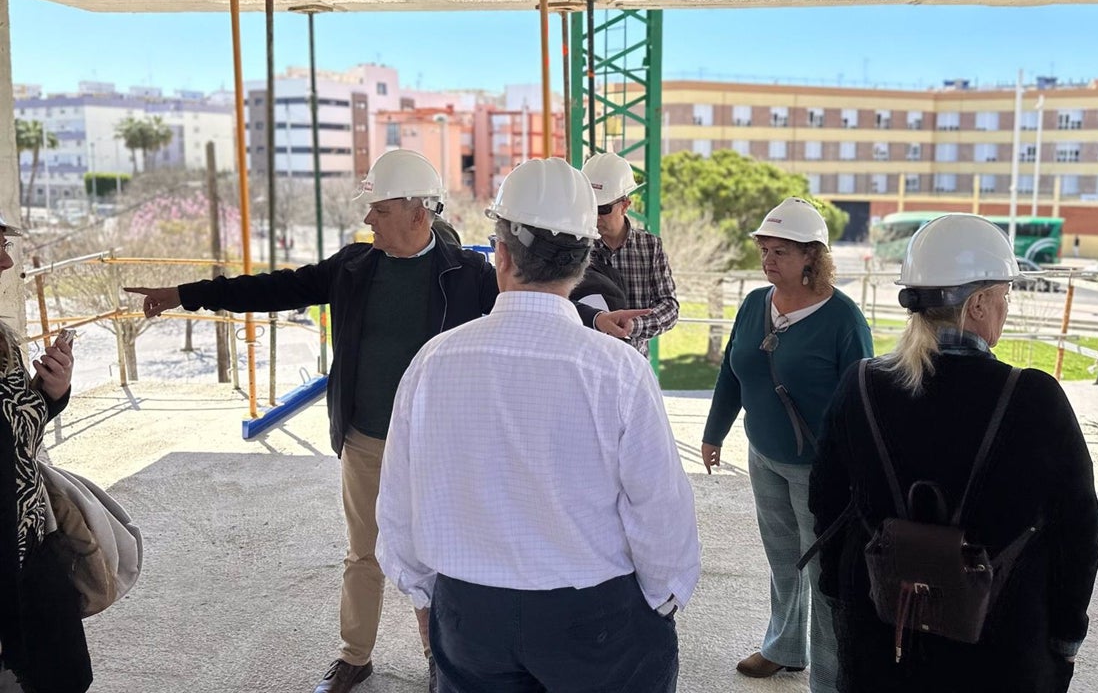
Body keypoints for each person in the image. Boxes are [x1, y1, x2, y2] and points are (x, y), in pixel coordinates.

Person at [124, 151, 642, 693]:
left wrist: (594, 318)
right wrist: (186, 295)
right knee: (364, 553)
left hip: (443, 446)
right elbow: (273, 288)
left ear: (419, 213)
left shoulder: (466, 273)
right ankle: (354, 656)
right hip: (367, 438)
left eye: (380, 208)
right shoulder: (353, 267)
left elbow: (539, 299)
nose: (368, 219)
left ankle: (440, 653)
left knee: (446, 552)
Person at [377, 158, 700, 693]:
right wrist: (662, 600)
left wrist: (425, 596)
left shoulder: (434, 362)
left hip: (469, 615)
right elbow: (659, 507)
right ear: (584, 258)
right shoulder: (617, 370)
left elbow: (399, 503)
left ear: (501, 254)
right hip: (596, 619)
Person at [809, 213, 1098, 693]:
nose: (1005, 308)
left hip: (883, 635)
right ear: (979, 303)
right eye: (1005, 297)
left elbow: (826, 501)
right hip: (999, 648)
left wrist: (841, 597)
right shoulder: (1033, 399)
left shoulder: (860, 386)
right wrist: (1067, 636)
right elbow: (1078, 532)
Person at [700, 198, 872, 690]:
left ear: (811, 258)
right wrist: (715, 432)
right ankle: (784, 647)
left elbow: (862, 400)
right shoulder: (756, 304)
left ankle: (831, 675)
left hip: (820, 467)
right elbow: (733, 374)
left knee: (822, 571)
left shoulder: (843, 319)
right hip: (765, 455)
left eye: (780, 251)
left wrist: (857, 471)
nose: (768, 260)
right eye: (764, 249)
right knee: (782, 558)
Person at [0, 214, 91, 693]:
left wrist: (50, 393)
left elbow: (18, 438)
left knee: (66, 676)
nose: (6, 259)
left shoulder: (3, 342)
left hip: (29, 550)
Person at [581, 152, 678, 356]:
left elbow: (669, 307)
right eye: (589, 207)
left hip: (634, 360)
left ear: (625, 205)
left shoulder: (650, 247)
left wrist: (633, 325)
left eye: (603, 208)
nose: (595, 216)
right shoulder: (577, 246)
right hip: (586, 359)